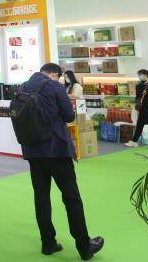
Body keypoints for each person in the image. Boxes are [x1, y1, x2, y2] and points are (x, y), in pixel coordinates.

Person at [15, 63, 104, 260]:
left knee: (41, 196)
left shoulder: (23, 87)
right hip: (56, 149)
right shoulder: (54, 86)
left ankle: (48, 243)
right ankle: (84, 246)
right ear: (55, 74)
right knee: (71, 197)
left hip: (32, 150)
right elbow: (69, 115)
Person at [125, 69, 148, 150]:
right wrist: (137, 103)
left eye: (141, 75)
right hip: (142, 108)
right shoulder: (139, 85)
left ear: (146, 75)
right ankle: (134, 141)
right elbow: (137, 96)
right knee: (139, 124)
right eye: (139, 75)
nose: (140, 76)